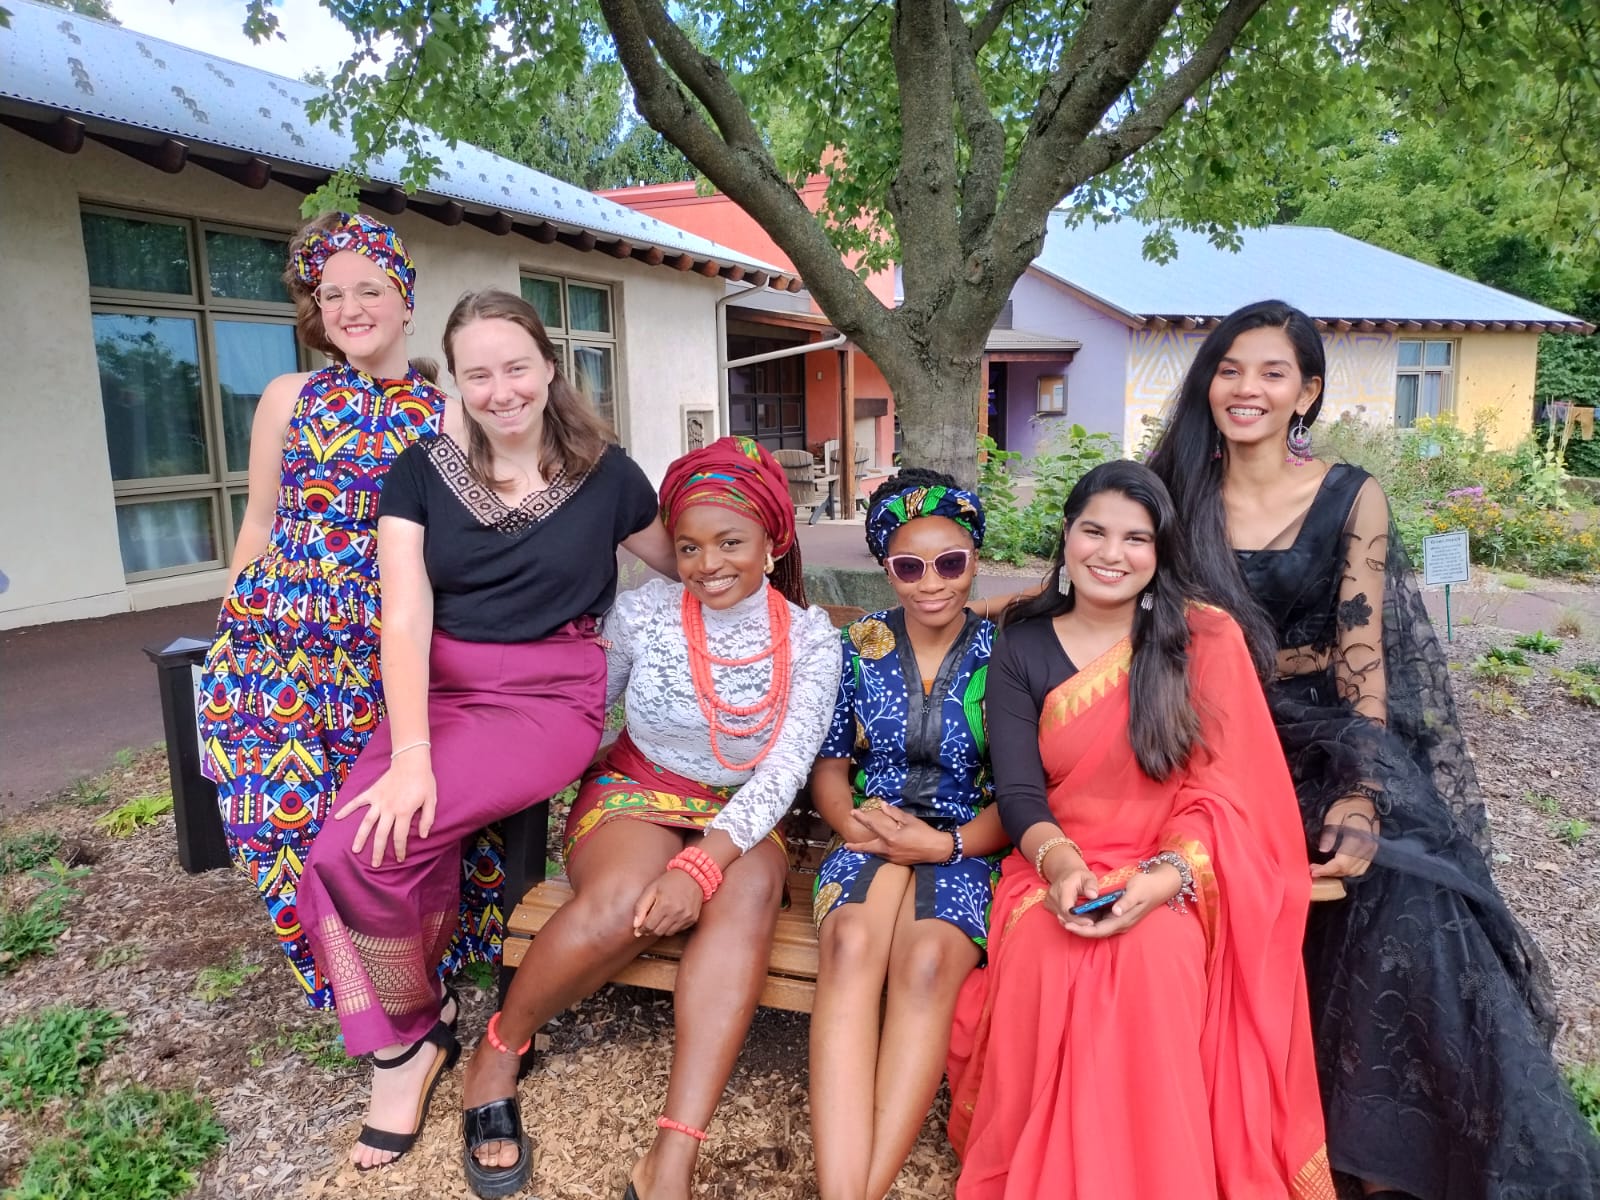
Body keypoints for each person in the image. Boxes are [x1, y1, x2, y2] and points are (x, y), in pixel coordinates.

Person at [1147, 299, 1600, 1199]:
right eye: (1230, 368)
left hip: (1325, 742)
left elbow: (1365, 663)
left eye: (1273, 372)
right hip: (1212, 749)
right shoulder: (1172, 490)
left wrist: (1361, 792)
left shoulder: (1353, 496)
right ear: (1209, 380)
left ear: (1306, 391)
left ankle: (1400, 1161)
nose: (1247, 388)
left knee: (1401, 887)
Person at [295, 287, 676, 1169]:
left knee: (376, 846)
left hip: (548, 700)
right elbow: (404, 615)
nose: (500, 390)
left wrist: (770, 595)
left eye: (515, 368)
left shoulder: (608, 474)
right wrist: (413, 755)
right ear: (456, 383)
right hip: (435, 695)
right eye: (477, 374)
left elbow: (689, 559)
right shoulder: (420, 470)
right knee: (348, 850)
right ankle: (414, 1034)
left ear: (549, 367)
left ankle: (413, 1047)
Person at [456, 436, 843, 1200]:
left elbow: (786, 767)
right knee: (622, 903)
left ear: (774, 540)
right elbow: (587, 714)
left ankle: (673, 1152)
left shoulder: (810, 639)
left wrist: (701, 866)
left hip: (740, 815)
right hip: (637, 789)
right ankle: (500, 1047)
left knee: (749, 894)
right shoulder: (642, 613)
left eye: (730, 542)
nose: (707, 564)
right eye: (689, 545)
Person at [947, 460, 1333, 1199]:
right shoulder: (1022, 646)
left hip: (1176, 869)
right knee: (1046, 959)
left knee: (1155, 962)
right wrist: (1063, 871)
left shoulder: (1201, 642)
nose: (1111, 553)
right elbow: (1022, 794)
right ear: (1066, 536)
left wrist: (1163, 880)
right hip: (1054, 863)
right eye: (1093, 530)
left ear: (1160, 553)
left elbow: (1230, 794)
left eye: (1136, 538)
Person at [198, 213, 499, 1006]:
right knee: (277, 827)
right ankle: (348, 983)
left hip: (385, 656)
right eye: (332, 294)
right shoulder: (286, 397)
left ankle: (415, 983)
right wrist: (235, 623)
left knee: (383, 830)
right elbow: (258, 522)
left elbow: (476, 539)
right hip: (275, 659)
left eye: (369, 289)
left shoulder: (448, 414)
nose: (350, 307)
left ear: (405, 300)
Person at [808, 469, 1010, 1200]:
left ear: (974, 560)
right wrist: (852, 825)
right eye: (909, 565)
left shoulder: (1008, 657)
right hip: (866, 831)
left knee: (926, 963)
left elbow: (1020, 792)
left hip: (967, 843)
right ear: (886, 569)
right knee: (853, 941)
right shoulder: (855, 648)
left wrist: (946, 846)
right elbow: (830, 769)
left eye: (951, 562)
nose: (933, 582)